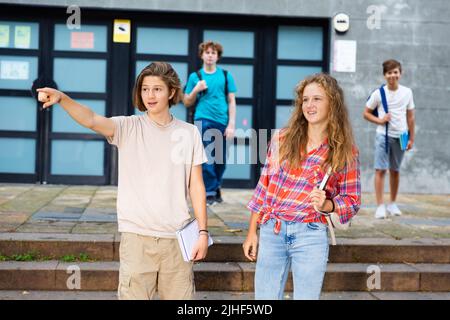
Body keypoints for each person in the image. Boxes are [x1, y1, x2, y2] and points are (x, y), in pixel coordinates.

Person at [36, 62, 209, 300]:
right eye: (145, 88)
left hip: (177, 240)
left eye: (157, 89)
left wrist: (202, 232)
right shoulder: (128, 127)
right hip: (136, 239)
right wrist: (63, 98)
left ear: (171, 92)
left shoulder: (189, 133)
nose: (150, 95)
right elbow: (92, 120)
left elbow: (197, 185)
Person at [243, 73, 361, 300]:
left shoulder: (345, 151)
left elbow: (352, 200)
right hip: (272, 231)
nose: (310, 105)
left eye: (317, 99)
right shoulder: (282, 139)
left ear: (332, 103)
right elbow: (264, 187)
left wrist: (328, 204)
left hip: (310, 233)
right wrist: (251, 232)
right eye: (305, 100)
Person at [183, 40, 237, 206]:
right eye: (207, 52)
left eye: (213, 53)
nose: (210, 55)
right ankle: (210, 192)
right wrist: (196, 90)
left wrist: (231, 124)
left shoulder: (226, 76)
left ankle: (215, 186)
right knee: (206, 158)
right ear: (202, 55)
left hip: (221, 121)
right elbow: (186, 101)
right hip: (202, 119)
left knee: (220, 159)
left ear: (217, 56)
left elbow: (232, 101)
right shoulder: (195, 77)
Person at [363, 59, 415, 219]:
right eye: (389, 72)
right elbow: (366, 113)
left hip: (402, 135)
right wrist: (380, 120)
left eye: (395, 72)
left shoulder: (407, 92)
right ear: (385, 75)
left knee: (395, 170)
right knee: (380, 170)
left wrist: (411, 139)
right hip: (382, 135)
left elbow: (411, 117)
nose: (392, 75)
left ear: (400, 73)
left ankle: (392, 203)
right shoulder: (379, 93)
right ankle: (380, 206)